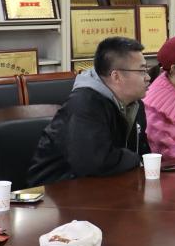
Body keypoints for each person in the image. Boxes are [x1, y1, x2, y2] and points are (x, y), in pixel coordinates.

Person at [29, 37, 151, 185]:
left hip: (108, 186)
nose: (148, 77)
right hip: (57, 190)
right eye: (142, 71)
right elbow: (96, 162)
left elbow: (143, 151)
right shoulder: (84, 104)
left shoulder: (134, 104)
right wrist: (135, 159)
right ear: (116, 76)